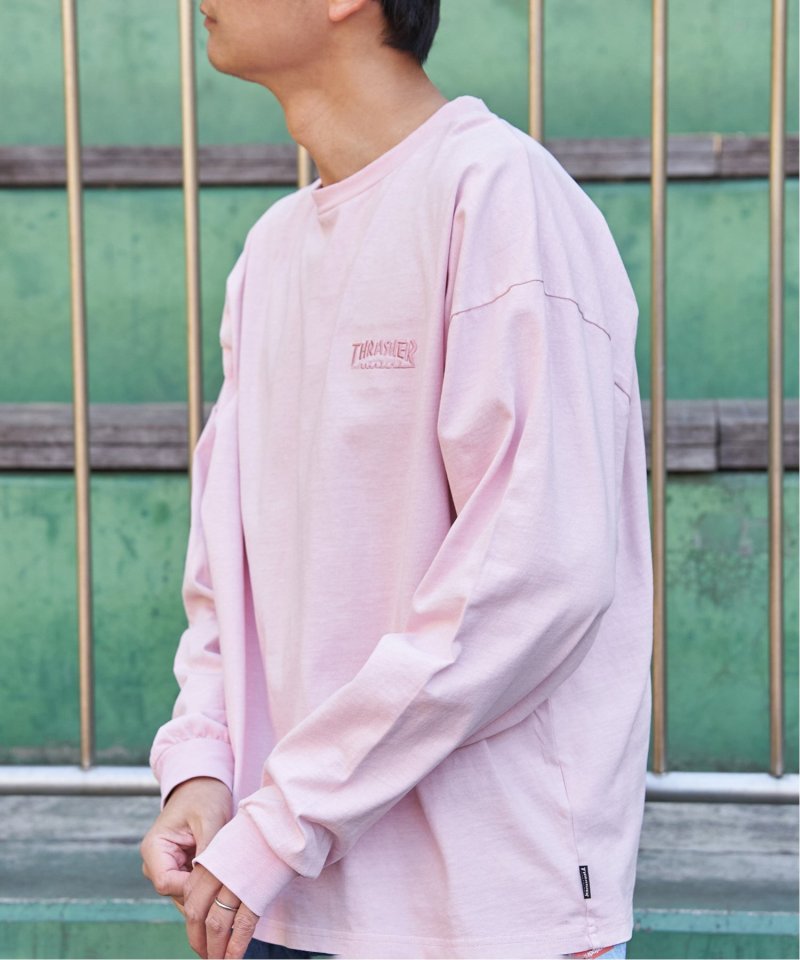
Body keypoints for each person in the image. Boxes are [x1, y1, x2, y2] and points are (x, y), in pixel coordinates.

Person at [139, 1, 653, 958]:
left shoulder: (495, 191)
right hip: (279, 894)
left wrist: (287, 819)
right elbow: (226, 574)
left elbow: (538, 573)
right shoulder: (270, 252)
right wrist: (203, 766)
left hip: (486, 917)